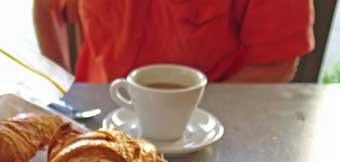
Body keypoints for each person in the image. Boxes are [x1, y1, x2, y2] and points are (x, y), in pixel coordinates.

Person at [34, 0, 315, 83]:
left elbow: (276, 64)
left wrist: (192, 118)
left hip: (212, 132)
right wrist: (60, 86)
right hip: (99, 118)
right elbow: (46, 7)